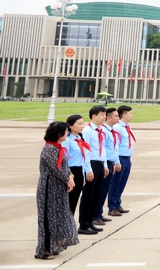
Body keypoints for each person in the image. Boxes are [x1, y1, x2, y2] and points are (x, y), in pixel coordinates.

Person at [35, 121, 79, 260]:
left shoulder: (59, 148)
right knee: (48, 218)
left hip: (59, 187)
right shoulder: (49, 149)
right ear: (59, 134)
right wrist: (67, 179)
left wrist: (70, 177)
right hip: (49, 188)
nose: (67, 133)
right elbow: (56, 168)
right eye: (66, 131)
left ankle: (54, 245)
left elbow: (65, 166)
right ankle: (44, 249)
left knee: (59, 216)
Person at [78, 106, 108, 235]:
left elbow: (103, 149)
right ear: (94, 116)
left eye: (105, 114)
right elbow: (85, 151)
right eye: (102, 114)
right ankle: (84, 224)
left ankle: (90, 222)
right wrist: (88, 169)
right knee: (88, 196)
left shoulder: (102, 130)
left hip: (100, 164)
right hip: (91, 165)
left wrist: (105, 165)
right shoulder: (87, 131)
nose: (104, 117)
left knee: (96, 195)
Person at [95, 107, 121, 225]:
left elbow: (114, 148)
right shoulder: (104, 131)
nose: (118, 118)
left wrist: (116, 162)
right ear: (109, 118)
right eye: (115, 116)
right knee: (100, 191)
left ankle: (99, 213)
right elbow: (103, 150)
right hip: (105, 163)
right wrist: (106, 164)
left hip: (110, 162)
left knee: (104, 191)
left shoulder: (111, 130)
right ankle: (96, 215)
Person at [108, 105, 134, 217]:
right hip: (120, 158)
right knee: (115, 183)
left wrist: (130, 158)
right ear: (124, 115)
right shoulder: (118, 127)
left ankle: (118, 203)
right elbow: (116, 145)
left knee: (122, 183)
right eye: (130, 113)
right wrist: (117, 161)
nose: (132, 115)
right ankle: (112, 206)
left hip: (127, 158)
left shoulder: (127, 127)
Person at [64, 115, 90, 217]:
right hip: (70, 172)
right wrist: (68, 176)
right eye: (79, 124)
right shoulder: (67, 140)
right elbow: (64, 160)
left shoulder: (80, 138)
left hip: (79, 171)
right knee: (69, 201)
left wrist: (83, 176)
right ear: (70, 126)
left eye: (82, 123)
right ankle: (66, 224)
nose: (82, 126)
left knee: (74, 200)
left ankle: (70, 223)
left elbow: (82, 159)